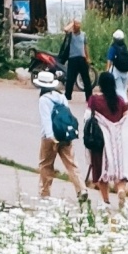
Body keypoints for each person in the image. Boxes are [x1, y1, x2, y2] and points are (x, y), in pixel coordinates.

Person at [85, 71, 128, 205]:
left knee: (102, 170)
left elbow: (87, 117)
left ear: (101, 85)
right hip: (117, 144)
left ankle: (106, 200)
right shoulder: (120, 102)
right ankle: (120, 189)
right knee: (119, 170)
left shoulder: (94, 100)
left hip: (100, 143)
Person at [35, 70, 84, 201]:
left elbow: (46, 120)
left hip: (50, 137)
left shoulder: (44, 100)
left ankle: (45, 192)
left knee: (46, 164)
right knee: (71, 163)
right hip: (65, 134)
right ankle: (81, 189)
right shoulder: (61, 97)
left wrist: (51, 137)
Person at [58, 20, 94, 101]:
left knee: (86, 79)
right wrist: (71, 23)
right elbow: (65, 29)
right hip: (72, 59)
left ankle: (89, 97)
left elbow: (85, 46)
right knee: (70, 78)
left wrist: (88, 57)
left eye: (78, 24)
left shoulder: (83, 34)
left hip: (82, 59)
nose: (77, 26)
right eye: (75, 24)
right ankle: (68, 96)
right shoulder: (70, 35)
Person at [107, 28, 128, 101]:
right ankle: (122, 103)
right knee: (124, 90)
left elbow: (109, 60)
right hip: (126, 72)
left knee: (119, 90)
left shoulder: (113, 47)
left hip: (117, 72)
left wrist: (107, 71)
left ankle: (125, 104)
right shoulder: (125, 47)